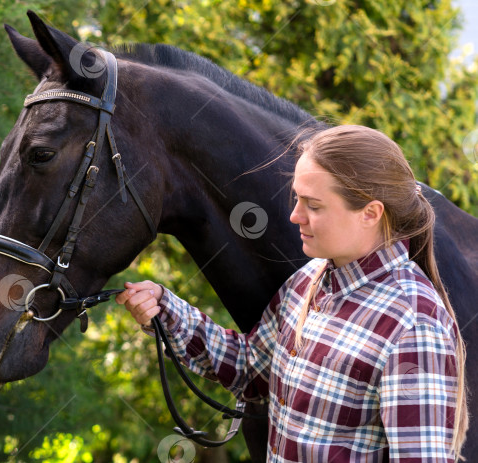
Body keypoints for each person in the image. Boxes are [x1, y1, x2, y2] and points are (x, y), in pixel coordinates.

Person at [116, 125, 468, 462]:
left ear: (370, 213)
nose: (295, 216)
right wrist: (166, 310)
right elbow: (249, 368)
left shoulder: (414, 326)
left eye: (313, 206)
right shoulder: (309, 280)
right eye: (297, 199)